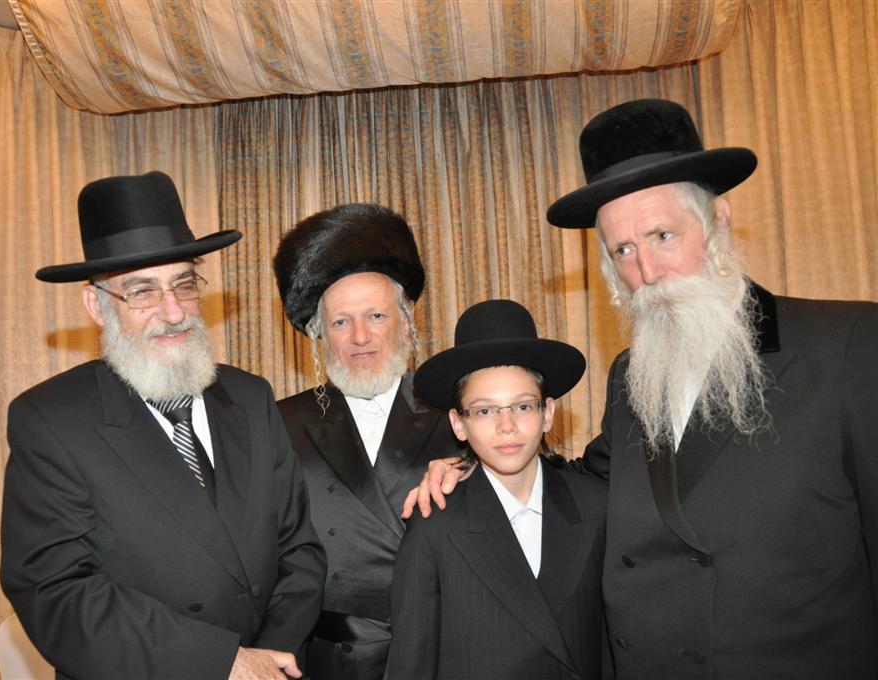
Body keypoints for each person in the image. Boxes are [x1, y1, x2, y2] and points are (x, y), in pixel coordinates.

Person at [406, 99, 878, 677]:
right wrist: (472, 468)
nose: (648, 273)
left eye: (662, 235)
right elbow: (592, 480)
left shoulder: (850, 344)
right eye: (623, 250)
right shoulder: (632, 375)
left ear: (718, 221)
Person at [0, 171, 326, 680]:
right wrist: (222, 663)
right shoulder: (50, 420)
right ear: (96, 305)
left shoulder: (250, 396)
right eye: (142, 291)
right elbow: (57, 592)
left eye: (184, 284)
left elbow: (299, 548)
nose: (174, 312)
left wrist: (271, 656)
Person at [273, 203, 461, 679]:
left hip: (446, 652)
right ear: (320, 334)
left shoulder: (459, 412)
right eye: (341, 322)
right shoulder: (279, 422)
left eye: (375, 315)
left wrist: (475, 470)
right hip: (328, 663)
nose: (360, 336)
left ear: (407, 320)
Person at [386, 299, 608, 680]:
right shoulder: (435, 525)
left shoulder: (596, 506)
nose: (507, 426)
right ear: (459, 424)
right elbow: (412, 663)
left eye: (522, 407)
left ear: (548, 413)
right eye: (485, 411)